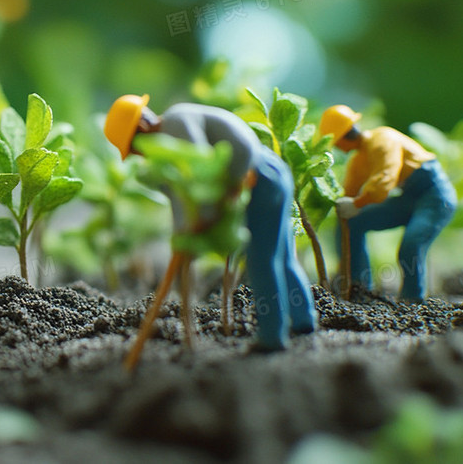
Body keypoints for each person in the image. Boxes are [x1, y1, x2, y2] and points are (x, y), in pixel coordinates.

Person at [104, 95, 317, 351]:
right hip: (271, 172)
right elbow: (180, 199)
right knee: (281, 257)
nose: (140, 155)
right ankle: (304, 319)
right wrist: (183, 233)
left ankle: (273, 337)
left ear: (143, 128)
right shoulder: (170, 151)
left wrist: (206, 214)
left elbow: (203, 169)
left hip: (258, 178)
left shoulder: (176, 122)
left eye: (134, 148)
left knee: (262, 261)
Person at [319, 105, 456, 302]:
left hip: (433, 195)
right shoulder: (359, 160)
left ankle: (413, 301)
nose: (336, 147)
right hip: (409, 197)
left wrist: (358, 203)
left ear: (344, 137)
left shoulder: (382, 139)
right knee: (353, 223)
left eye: (335, 142)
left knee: (411, 245)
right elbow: (349, 190)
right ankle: (358, 288)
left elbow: (385, 180)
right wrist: (342, 202)